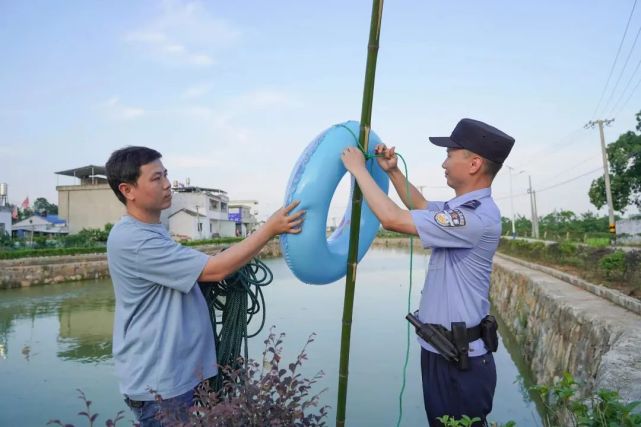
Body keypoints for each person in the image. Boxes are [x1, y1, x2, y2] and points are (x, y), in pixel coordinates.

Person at [105, 146, 304, 427]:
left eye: (166, 175)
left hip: (180, 379)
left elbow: (202, 268)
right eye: (156, 178)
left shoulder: (151, 232)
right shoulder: (133, 239)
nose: (167, 184)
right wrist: (270, 229)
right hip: (160, 387)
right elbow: (216, 270)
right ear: (128, 190)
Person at [341, 118, 514, 426]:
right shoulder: (462, 210)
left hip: (460, 362)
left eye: (450, 154)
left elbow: (393, 219)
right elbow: (420, 205)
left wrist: (358, 170)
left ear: (474, 164)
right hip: (443, 351)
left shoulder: (474, 219)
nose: (443, 163)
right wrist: (392, 171)